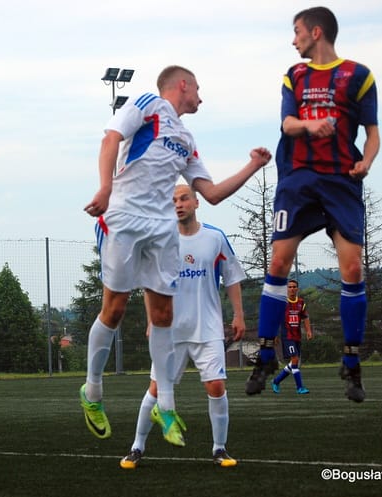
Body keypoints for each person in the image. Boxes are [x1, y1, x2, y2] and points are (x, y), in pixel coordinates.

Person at [81, 64, 272, 446]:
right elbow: (110, 139)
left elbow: (212, 193)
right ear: (181, 85)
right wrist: (104, 189)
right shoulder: (147, 103)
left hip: (161, 227)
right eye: (198, 88)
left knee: (163, 314)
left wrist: (254, 165)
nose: (201, 96)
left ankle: (165, 405)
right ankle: (93, 391)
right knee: (114, 309)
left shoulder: (186, 137)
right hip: (123, 217)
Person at [245, 6, 380, 403]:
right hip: (299, 180)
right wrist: (310, 125)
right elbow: (287, 124)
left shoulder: (359, 75)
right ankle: (265, 354)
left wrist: (366, 161)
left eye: (297, 31)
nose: (294, 39)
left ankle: (351, 364)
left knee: (353, 268)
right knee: (277, 264)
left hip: (342, 181)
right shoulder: (295, 75)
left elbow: (372, 134)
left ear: (316, 32)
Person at [120, 184, 246, 469]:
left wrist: (238, 315)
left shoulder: (215, 237)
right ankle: (136, 446)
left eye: (184, 198)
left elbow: (232, 277)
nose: (178, 204)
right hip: (170, 331)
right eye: (173, 200)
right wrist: (153, 320)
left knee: (215, 386)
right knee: (155, 388)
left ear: (197, 202)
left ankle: (219, 448)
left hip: (208, 327)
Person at [271, 279, 313, 394]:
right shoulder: (282, 303)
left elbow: (305, 317)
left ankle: (276, 381)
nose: (292, 289)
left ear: (297, 289)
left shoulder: (301, 302)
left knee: (294, 363)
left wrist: (308, 331)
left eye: (294, 287)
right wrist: (275, 334)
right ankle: (300, 388)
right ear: (286, 289)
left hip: (297, 336)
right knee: (294, 359)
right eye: (289, 287)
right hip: (287, 336)